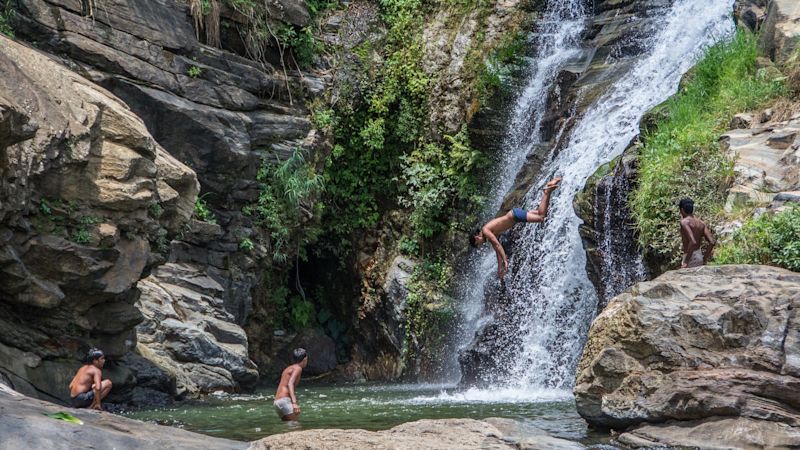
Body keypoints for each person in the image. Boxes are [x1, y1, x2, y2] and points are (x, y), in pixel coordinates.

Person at [469, 176, 562, 278]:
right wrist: (500, 268)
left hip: (515, 216)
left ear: (476, 237)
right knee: (543, 213)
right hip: (515, 216)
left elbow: (498, 246)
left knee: (541, 217)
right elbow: (497, 250)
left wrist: (505, 260)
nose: (481, 244)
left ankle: (547, 192)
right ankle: (552, 184)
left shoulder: (485, 230)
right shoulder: (487, 233)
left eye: (478, 244)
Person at [678, 198, 715, 268]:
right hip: (699, 256)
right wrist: (704, 258)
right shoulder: (701, 223)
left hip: (690, 258)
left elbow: (693, 242)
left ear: (682, 210)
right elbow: (712, 242)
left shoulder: (684, 222)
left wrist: (686, 262)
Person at [274, 348, 308, 421]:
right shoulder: (298, 368)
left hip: (277, 401)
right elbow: (290, 383)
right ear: (305, 359)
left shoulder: (288, 368)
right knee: (295, 426)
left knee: (289, 426)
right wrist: (294, 403)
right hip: (284, 400)